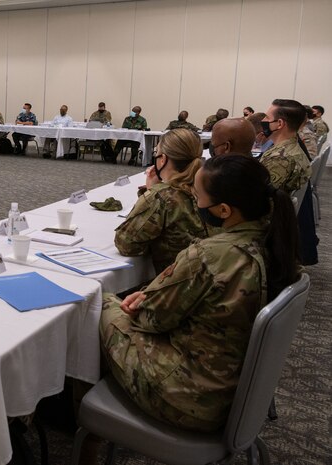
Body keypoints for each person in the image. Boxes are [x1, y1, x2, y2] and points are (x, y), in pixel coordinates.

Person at [101, 154, 300, 433]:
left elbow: (151, 321)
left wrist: (147, 301)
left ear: (223, 210)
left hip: (188, 397)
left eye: (197, 197)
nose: (195, 202)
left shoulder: (209, 255)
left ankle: (74, 418)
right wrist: (154, 295)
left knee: (101, 302)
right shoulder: (275, 237)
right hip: (235, 388)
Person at [114, 128, 208, 274]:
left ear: (163, 159)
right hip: (211, 279)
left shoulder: (163, 196)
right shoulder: (209, 188)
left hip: (178, 284)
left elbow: (126, 244)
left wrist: (151, 193)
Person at [259, 99, 312, 194]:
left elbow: (260, 197)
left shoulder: (279, 159)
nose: (263, 121)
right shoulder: (293, 147)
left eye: (267, 117)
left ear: (279, 123)